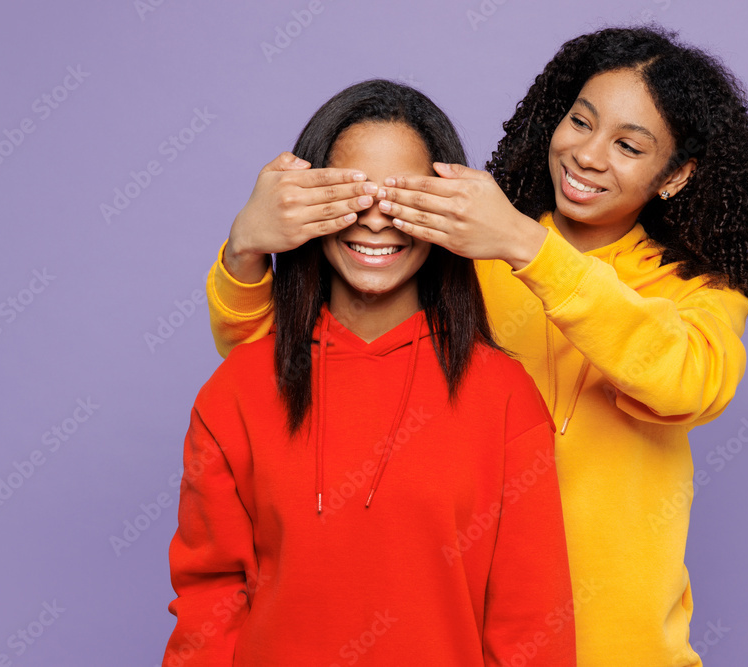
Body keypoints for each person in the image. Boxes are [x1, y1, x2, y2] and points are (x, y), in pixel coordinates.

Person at [203, 26, 748, 665]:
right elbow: (289, 371)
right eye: (579, 122)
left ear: (676, 175)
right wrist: (245, 252)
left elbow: (687, 382)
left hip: (622, 647)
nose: (588, 155)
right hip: (474, 640)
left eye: (627, 146)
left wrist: (528, 248)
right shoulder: (468, 255)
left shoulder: (694, 289)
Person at [164, 79, 575, 666]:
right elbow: (209, 603)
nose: (377, 222)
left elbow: (532, 625)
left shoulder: (506, 398)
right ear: (305, 205)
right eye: (353, 195)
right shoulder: (235, 392)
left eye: (403, 198)